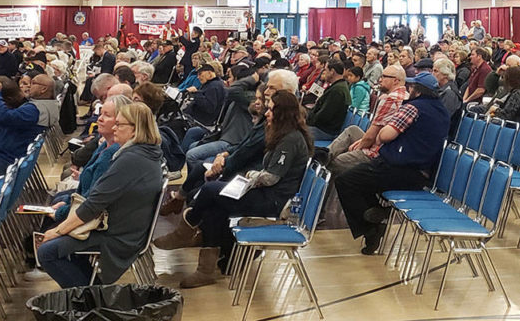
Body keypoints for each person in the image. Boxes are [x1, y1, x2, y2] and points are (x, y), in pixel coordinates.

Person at [159, 91, 313, 287]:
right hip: (265, 193)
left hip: (274, 200)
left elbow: (271, 177)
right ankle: (208, 269)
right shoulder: (283, 134)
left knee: (210, 190)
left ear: (283, 113)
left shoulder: (290, 140)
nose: (267, 112)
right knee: (215, 208)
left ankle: (187, 227)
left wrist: (250, 176)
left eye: (272, 109)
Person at [37, 102, 164, 288]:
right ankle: (93, 291)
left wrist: (57, 231)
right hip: (125, 226)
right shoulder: (146, 152)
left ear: (135, 130)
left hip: (118, 235)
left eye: (119, 125)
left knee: (47, 251)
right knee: (58, 243)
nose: (114, 128)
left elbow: (93, 205)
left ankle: (91, 300)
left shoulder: (131, 159)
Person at [334, 72, 451, 254]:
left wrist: (381, 137)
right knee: (360, 177)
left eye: (411, 87)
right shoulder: (442, 111)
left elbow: (385, 136)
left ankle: (372, 226)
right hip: (421, 171)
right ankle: (375, 213)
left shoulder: (413, 108)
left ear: (418, 91)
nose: (408, 90)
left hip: (400, 168)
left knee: (346, 180)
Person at [307, 60, 351, 141]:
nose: (324, 72)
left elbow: (324, 116)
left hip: (326, 131)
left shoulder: (337, 90)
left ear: (332, 72)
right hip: (323, 127)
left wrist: (308, 121)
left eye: (326, 70)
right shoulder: (339, 86)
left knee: (293, 134)